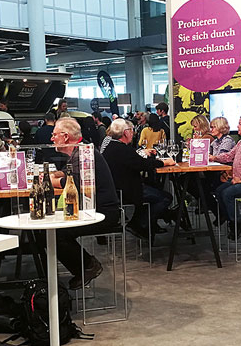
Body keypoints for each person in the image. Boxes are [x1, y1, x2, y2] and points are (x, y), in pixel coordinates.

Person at [47, 117, 121, 289]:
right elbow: (68, 173)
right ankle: (80, 268)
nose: (52, 138)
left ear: (65, 137)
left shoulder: (84, 154)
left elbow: (77, 183)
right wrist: (54, 175)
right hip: (91, 208)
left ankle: (87, 266)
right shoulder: (80, 151)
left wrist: (52, 181)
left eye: (54, 135)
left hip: (102, 213)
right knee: (50, 231)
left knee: (56, 233)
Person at [103, 119, 176, 240]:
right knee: (165, 198)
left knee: (154, 187)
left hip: (118, 188)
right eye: (132, 131)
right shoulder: (122, 149)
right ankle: (139, 224)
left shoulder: (112, 146)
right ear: (125, 132)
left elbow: (136, 161)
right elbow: (142, 164)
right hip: (127, 191)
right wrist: (164, 163)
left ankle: (149, 223)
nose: (133, 133)